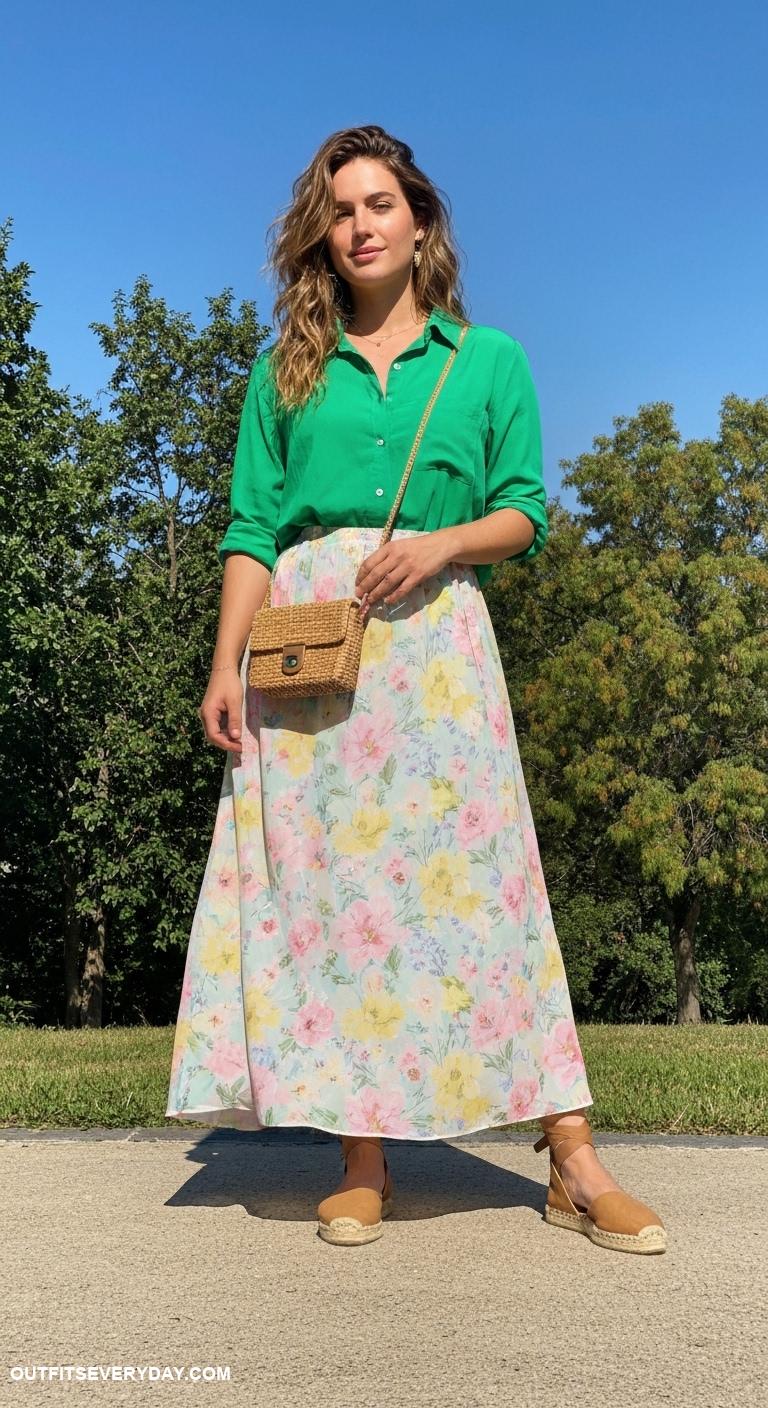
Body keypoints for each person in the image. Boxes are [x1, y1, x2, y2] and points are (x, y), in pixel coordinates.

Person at [165, 124, 666, 1255]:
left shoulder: (486, 360)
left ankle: (573, 1156)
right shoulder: (284, 372)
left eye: (380, 203)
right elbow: (251, 530)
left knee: (491, 891)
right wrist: (223, 666)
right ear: (322, 236)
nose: (361, 225)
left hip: (437, 655)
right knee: (336, 902)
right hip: (310, 663)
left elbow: (523, 511)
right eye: (341, 210)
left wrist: (441, 545)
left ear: (421, 220)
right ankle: (362, 1157)